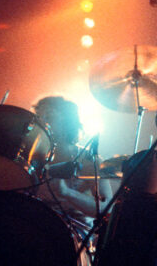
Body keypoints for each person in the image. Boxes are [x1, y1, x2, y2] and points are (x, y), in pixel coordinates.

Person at [33, 95, 113, 223]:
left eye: (49, 116)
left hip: (71, 227)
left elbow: (105, 207)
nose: (42, 122)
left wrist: (66, 192)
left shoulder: (88, 159)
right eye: (38, 117)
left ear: (67, 122)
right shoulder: (32, 156)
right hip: (32, 219)